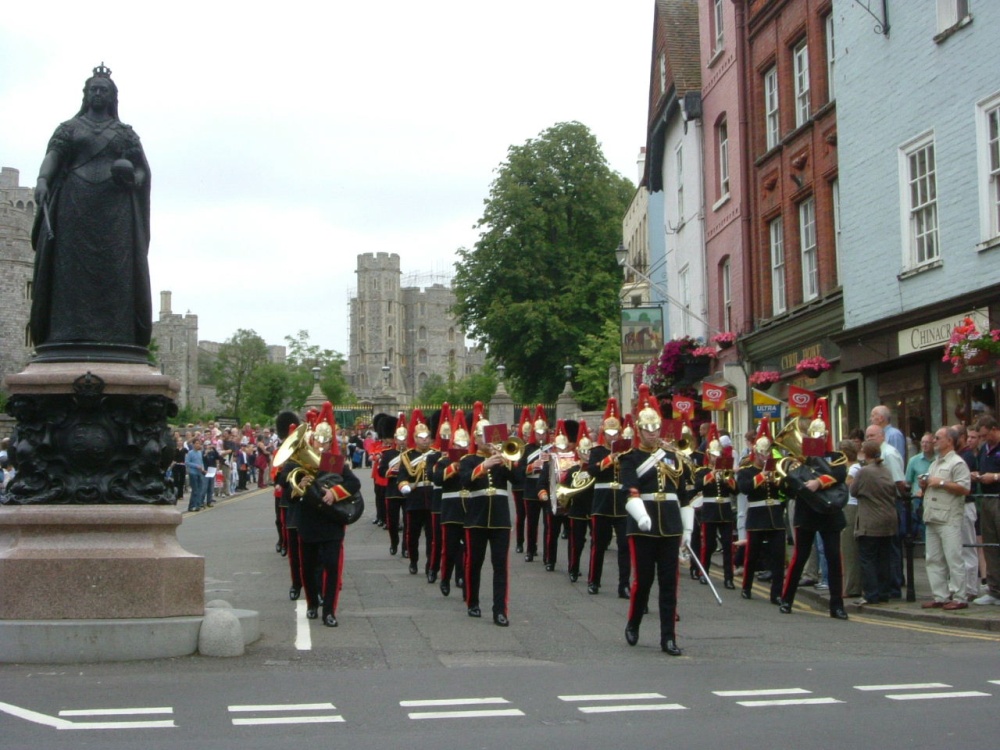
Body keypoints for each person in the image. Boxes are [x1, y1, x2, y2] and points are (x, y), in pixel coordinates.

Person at [30, 64, 152, 355]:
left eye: (104, 90)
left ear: (112, 97)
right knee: (69, 269)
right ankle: (66, 331)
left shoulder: (125, 134)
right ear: (86, 94)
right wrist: (42, 180)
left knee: (116, 269)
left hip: (115, 210)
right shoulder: (69, 129)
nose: (98, 94)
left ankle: (117, 334)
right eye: (93, 89)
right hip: (75, 204)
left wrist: (133, 179)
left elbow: (141, 170)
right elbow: (53, 156)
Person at [619, 386, 694, 656]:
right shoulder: (630, 458)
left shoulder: (673, 456)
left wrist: (687, 528)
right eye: (648, 429)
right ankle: (634, 622)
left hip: (671, 525)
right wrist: (641, 516)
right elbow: (629, 490)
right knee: (644, 581)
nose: (653, 433)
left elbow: (683, 495)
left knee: (669, 583)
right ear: (639, 430)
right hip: (644, 527)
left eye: (656, 428)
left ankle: (668, 638)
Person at [286, 403, 362, 628]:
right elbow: (284, 484)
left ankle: (329, 610)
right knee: (307, 568)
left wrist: (334, 492)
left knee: (332, 567)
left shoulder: (333, 462)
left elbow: (353, 482)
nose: (321, 444)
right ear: (312, 441)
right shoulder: (299, 462)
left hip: (331, 522)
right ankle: (311, 604)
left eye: (325, 441)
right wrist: (299, 483)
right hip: (308, 521)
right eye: (318, 440)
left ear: (330, 443)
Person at [778, 402, 850, 620]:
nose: (817, 439)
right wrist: (790, 478)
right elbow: (787, 488)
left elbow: (839, 474)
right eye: (813, 435)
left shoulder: (835, 456)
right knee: (800, 556)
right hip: (806, 511)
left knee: (833, 558)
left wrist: (818, 482)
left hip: (828, 512)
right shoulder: (798, 459)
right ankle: (787, 599)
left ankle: (837, 605)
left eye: (820, 435)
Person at [459, 404, 513, 627]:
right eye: (482, 435)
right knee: (475, 563)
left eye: (488, 434)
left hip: (500, 518)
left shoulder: (502, 458)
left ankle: (500, 610)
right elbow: (464, 480)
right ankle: (472, 601)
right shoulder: (469, 460)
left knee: (501, 565)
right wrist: (484, 465)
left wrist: (506, 459)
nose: (486, 439)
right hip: (477, 518)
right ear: (475, 437)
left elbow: (517, 480)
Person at [918, 426, 972, 610]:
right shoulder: (935, 463)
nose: (934, 441)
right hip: (932, 515)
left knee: (953, 557)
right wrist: (924, 485)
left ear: (950, 441)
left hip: (949, 517)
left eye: (938, 438)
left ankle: (959, 596)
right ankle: (940, 595)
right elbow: (932, 485)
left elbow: (965, 488)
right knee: (932, 558)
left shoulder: (957, 463)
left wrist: (940, 482)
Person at [736, 418, 786, 606]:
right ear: (755, 452)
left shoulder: (776, 469)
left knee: (778, 556)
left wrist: (779, 481)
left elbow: (786, 492)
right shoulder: (746, 470)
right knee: (753, 554)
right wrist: (762, 476)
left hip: (775, 516)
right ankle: (747, 586)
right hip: (757, 516)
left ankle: (777, 593)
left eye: (767, 454)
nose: (765, 457)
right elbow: (745, 488)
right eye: (762, 454)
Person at [586, 398, 631, 598]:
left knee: (625, 546)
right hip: (603, 502)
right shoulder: (597, 452)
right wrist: (608, 459)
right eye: (609, 434)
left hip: (622, 504)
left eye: (616, 434)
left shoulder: (627, 453)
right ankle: (594, 580)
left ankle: (624, 584)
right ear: (603, 434)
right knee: (599, 545)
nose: (612, 438)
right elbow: (592, 471)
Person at [851, 440, 899, 606]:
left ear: (865, 454)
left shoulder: (864, 472)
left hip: (870, 522)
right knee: (884, 558)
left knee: (868, 559)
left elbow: (853, 490)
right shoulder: (886, 471)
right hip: (888, 521)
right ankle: (884, 593)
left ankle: (871, 594)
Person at [694, 425, 737, 589]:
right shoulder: (703, 471)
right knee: (709, 545)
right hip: (710, 511)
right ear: (709, 455)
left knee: (727, 545)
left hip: (725, 511)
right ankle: (703, 573)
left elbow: (737, 490)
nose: (715, 458)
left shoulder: (727, 471)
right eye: (713, 455)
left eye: (718, 455)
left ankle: (728, 578)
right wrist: (711, 475)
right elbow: (698, 486)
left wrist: (729, 480)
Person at [398, 410, 440, 578]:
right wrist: (404, 486)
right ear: (415, 438)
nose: (424, 439)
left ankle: (431, 565)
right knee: (412, 535)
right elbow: (401, 477)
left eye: (427, 436)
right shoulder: (407, 456)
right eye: (421, 437)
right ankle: (413, 561)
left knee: (432, 536)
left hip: (432, 498)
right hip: (415, 499)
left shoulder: (436, 455)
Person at [435, 409, 469, 597]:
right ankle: (445, 577)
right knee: (450, 548)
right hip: (451, 510)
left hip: (469, 509)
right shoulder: (444, 461)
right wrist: (453, 468)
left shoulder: (471, 460)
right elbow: (438, 479)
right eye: (458, 444)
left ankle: (462, 576)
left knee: (466, 548)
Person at [972, 416, 1000, 605]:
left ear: (994, 428)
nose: (983, 439)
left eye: (985, 435)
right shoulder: (984, 449)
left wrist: (996, 477)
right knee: (990, 545)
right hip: (987, 500)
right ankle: (994, 590)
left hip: (998, 497)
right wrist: (978, 476)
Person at [839, 440, 863, 598]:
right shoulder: (851, 467)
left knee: (849, 550)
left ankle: (851, 587)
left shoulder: (854, 468)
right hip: (846, 508)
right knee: (845, 550)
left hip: (851, 508)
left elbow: (843, 484)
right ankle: (848, 585)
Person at [184, 437, 206, 512]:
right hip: (193, 473)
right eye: (196, 443)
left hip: (199, 473)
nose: (198, 445)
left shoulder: (200, 452)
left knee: (200, 489)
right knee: (195, 490)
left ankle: (197, 505)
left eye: (199, 443)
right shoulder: (190, 453)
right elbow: (187, 462)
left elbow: (201, 462)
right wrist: (196, 466)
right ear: (193, 445)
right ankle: (191, 506)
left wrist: (203, 469)